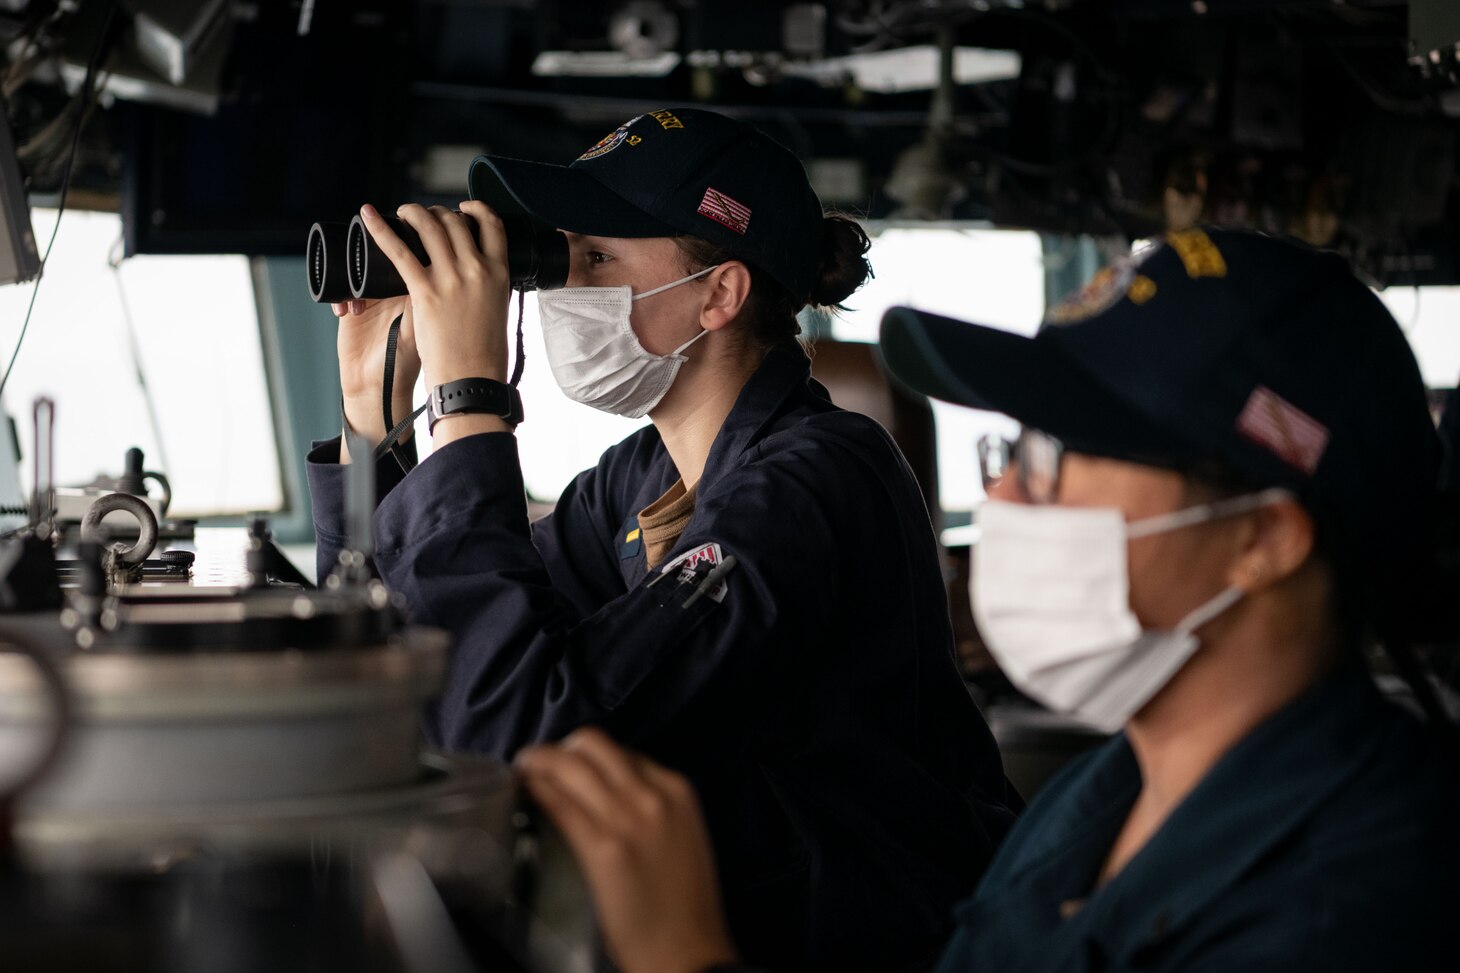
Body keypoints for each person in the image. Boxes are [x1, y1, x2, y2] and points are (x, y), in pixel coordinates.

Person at [517, 227, 1460, 973]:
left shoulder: (1362, 896)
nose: (1006, 500)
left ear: (1264, 538)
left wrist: (689, 959)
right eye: (1009, 453)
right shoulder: (1104, 799)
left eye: (1051, 460)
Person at [307, 108, 1017, 972]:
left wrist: (469, 396)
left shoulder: (816, 483)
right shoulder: (643, 477)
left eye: (596, 260)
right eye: (561, 255)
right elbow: (415, 654)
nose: (562, 291)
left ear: (720, 293)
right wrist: (369, 429)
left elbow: (513, 732)